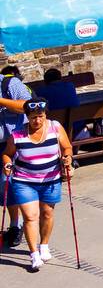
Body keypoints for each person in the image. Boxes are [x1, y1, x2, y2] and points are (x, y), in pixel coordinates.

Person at [2, 99, 72, 272]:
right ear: (27, 117)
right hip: (24, 182)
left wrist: (67, 158)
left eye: (40, 116)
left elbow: (67, 147)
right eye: (33, 117)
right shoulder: (17, 135)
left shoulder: (55, 128)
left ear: (45, 115)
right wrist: (7, 164)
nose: (37, 121)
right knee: (31, 217)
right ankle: (34, 254)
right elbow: (7, 154)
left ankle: (44, 245)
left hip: (51, 179)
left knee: (47, 213)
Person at [0, 66, 29, 248]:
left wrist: (1, 101)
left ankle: (15, 226)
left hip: (11, 144)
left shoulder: (10, 82)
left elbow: (27, 106)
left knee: (8, 185)